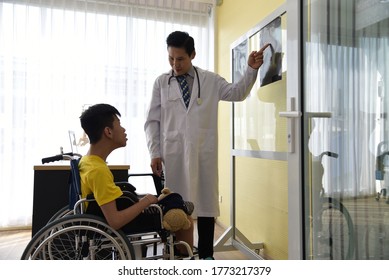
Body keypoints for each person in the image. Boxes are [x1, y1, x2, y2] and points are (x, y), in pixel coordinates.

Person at [144, 31, 270, 259]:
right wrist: (154, 152)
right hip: (173, 153)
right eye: (171, 58)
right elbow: (152, 121)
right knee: (175, 206)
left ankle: (206, 256)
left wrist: (251, 69)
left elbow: (237, 93)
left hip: (203, 151)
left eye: (180, 59)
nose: (175, 64)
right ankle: (180, 255)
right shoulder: (162, 83)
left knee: (205, 203)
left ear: (193, 55)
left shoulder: (210, 80)